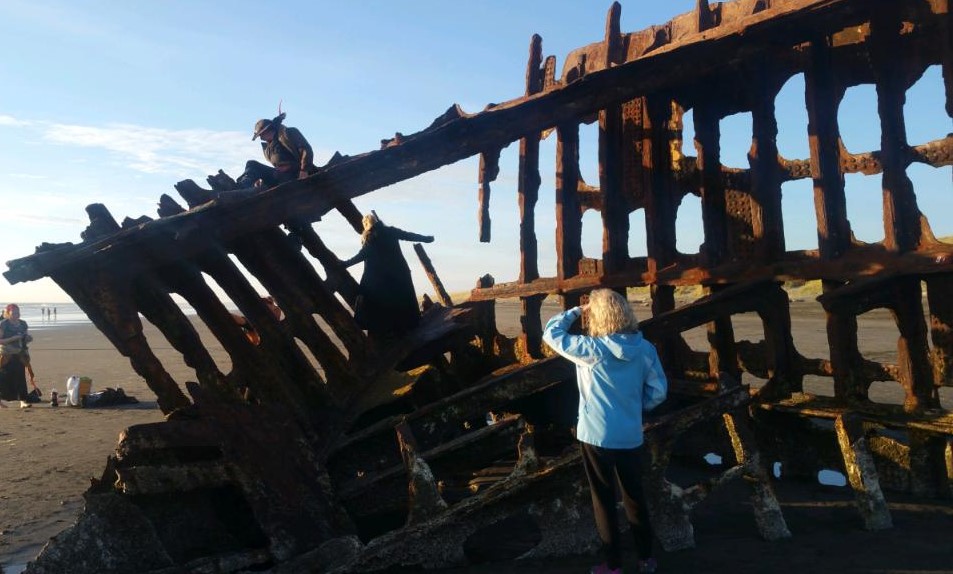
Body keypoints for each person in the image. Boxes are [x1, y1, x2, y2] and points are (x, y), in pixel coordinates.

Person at [542, 289, 668, 574]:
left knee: (604, 500)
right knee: (635, 496)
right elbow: (659, 392)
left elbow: (551, 333)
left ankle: (612, 566)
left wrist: (576, 310)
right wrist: (636, 409)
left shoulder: (591, 349)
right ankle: (646, 559)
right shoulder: (645, 349)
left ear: (596, 316)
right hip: (631, 435)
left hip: (596, 435)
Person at [342, 213, 434, 339]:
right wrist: (426, 238)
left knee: (385, 301)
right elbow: (409, 235)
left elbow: (361, 256)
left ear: (366, 225)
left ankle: (389, 329)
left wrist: (345, 264)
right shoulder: (390, 231)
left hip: (383, 278)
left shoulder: (370, 238)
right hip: (401, 273)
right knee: (404, 298)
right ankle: (410, 324)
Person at [236, 110, 317, 189]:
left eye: (261, 134)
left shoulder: (288, 133)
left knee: (252, 164)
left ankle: (242, 187)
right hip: (280, 176)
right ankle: (242, 186)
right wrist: (259, 177)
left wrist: (304, 170)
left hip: (295, 175)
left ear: (267, 130)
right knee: (252, 164)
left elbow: (306, 150)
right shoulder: (269, 147)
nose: (260, 138)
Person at [0, 304, 35, 408]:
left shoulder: (23, 323)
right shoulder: (3, 324)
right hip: (6, 354)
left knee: (20, 376)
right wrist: (13, 338)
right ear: (8, 313)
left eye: (18, 312)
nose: (17, 315)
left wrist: (28, 338)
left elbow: (26, 337)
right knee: (4, 377)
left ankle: (23, 401)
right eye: (14, 313)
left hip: (20, 353)